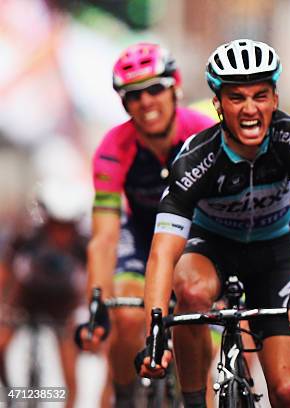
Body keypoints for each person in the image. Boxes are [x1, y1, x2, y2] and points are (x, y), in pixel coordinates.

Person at [136, 39, 290, 408]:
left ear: (275, 98)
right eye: (237, 98)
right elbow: (162, 253)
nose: (250, 109)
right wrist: (155, 331)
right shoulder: (195, 158)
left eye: (260, 95)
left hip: (274, 254)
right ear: (218, 104)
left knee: (287, 391)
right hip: (213, 248)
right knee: (189, 291)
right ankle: (194, 400)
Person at [73, 42, 216, 406]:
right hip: (140, 236)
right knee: (127, 318)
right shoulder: (112, 147)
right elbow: (104, 238)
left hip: (198, 237)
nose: (146, 102)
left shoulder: (205, 133)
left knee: (204, 344)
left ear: (175, 87)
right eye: (134, 95)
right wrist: (96, 302)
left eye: (155, 88)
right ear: (123, 103)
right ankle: (124, 395)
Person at [0, 180, 89, 408]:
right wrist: (4, 307)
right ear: (46, 219)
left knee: (71, 373)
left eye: (67, 226)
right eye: (56, 224)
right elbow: (5, 270)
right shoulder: (27, 235)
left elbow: (92, 282)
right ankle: (11, 392)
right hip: (27, 298)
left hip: (63, 305)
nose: (61, 232)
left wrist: (83, 314)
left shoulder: (82, 243)